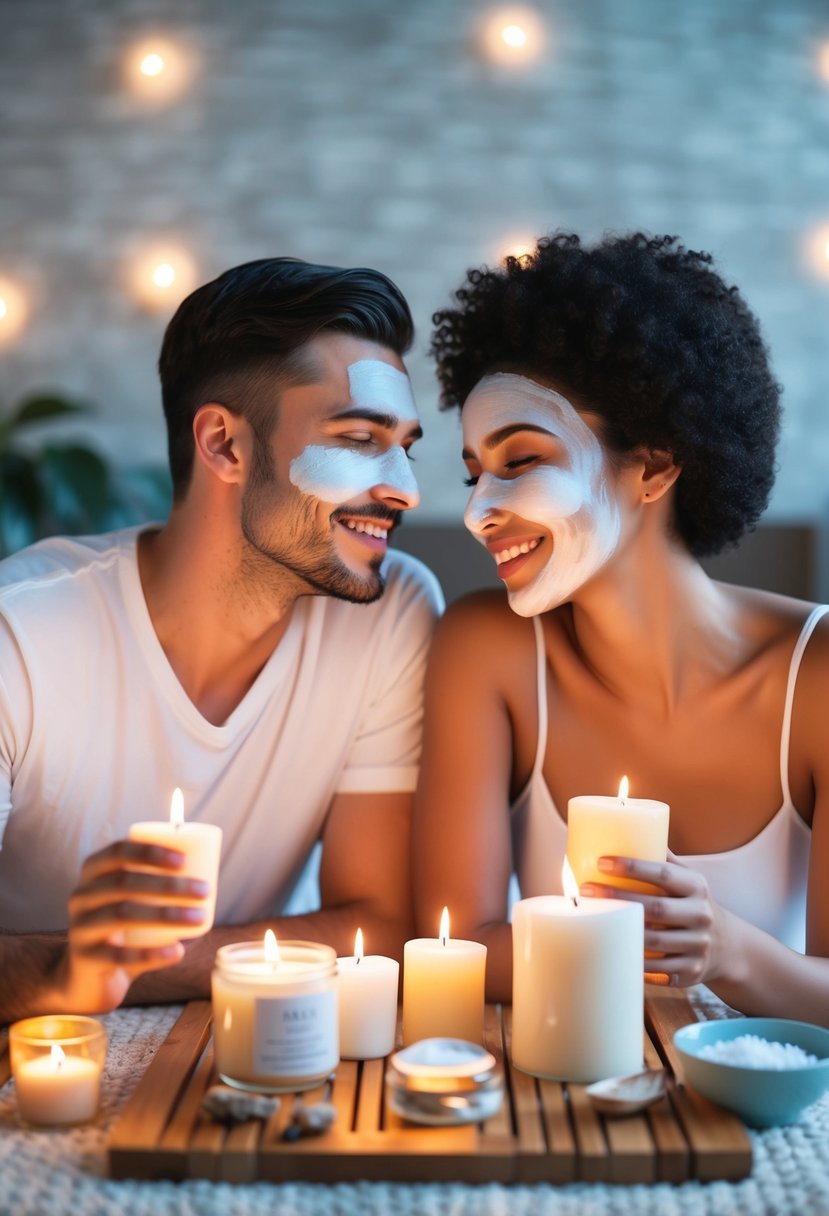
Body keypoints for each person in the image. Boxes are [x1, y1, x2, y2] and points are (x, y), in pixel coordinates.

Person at [0, 257, 443, 1022]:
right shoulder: (21, 631)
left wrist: (116, 969)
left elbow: (380, 924)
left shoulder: (390, 608)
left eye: (405, 444)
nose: (405, 486)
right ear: (224, 445)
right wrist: (67, 973)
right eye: (361, 438)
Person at [413, 231, 829, 1025]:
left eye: (520, 460)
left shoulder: (815, 674)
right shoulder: (484, 648)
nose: (476, 512)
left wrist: (727, 950)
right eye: (473, 474)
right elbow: (452, 948)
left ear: (656, 465)